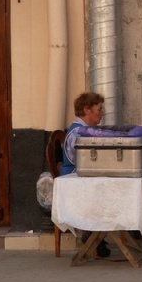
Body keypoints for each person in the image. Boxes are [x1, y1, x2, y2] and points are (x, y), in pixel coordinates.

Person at [60, 91, 111, 257]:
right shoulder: (78, 133)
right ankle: (95, 233)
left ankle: (100, 234)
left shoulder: (87, 131)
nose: (102, 113)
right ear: (87, 110)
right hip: (74, 179)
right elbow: (84, 162)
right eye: (99, 109)